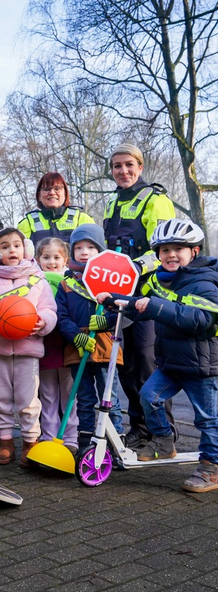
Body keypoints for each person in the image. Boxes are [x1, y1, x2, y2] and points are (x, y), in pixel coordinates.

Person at [99, 219, 218, 492]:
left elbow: (199, 320)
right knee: (149, 397)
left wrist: (155, 306)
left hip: (200, 365)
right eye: (165, 250)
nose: (171, 254)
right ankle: (164, 442)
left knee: (207, 418)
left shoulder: (204, 282)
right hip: (170, 362)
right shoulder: (157, 280)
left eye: (179, 248)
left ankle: (211, 467)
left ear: (194, 251)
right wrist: (113, 299)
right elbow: (139, 304)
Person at [103, 143, 176, 447]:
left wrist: (134, 266)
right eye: (117, 166)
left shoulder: (156, 200)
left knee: (147, 363)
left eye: (129, 165)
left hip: (148, 294)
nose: (123, 171)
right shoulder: (111, 202)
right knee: (126, 364)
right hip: (120, 296)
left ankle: (162, 431)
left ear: (140, 167)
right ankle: (138, 427)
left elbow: (166, 250)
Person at [0, 228, 57, 467]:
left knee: (28, 398)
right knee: (0, 397)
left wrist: (43, 322)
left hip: (28, 348)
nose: (12, 250)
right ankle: (5, 441)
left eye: (17, 245)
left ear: (26, 249)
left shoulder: (37, 278)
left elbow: (49, 308)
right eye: (5, 246)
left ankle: (30, 442)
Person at [55, 225, 124, 448]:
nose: (84, 251)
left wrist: (108, 321)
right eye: (79, 247)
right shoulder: (67, 285)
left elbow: (123, 310)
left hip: (106, 348)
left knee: (109, 400)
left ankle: (115, 444)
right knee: (84, 400)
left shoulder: (113, 281)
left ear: (100, 250)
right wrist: (76, 337)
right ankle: (86, 443)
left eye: (91, 247)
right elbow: (61, 317)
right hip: (78, 350)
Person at [34, 237, 79, 454]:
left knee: (70, 393)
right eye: (46, 257)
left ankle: (70, 436)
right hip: (45, 346)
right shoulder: (33, 283)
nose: (52, 262)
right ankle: (48, 436)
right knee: (48, 393)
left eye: (56, 257)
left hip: (68, 346)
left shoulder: (73, 284)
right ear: (37, 259)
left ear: (66, 260)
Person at [17, 172, 94, 245]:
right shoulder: (27, 224)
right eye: (47, 189)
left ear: (65, 194)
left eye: (57, 189)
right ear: (39, 196)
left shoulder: (83, 219)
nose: (52, 193)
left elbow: (95, 252)